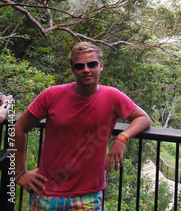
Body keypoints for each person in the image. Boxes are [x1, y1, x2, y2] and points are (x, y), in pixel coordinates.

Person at [14, 42, 151, 210]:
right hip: (45, 192)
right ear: (73, 70)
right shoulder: (51, 95)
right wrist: (19, 173)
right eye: (79, 66)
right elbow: (19, 128)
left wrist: (122, 138)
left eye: (91, 64)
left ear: (101, 66)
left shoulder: (113, 97)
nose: (86, 69)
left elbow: (143, 118)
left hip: (88, 197)